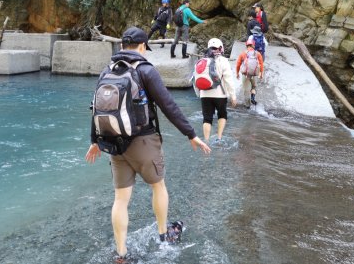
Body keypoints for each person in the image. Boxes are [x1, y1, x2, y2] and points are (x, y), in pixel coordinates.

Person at [85, 26, 211, 264]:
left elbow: (96, 109)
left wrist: (95, 141)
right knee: (158, 187)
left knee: (121, 199)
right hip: (144, 141)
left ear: (122, 46)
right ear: (142, 47)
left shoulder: (106, 71)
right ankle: (164, 237)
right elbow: (168, 105)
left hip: (114, 144)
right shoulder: (145, 70)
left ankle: (121, 253)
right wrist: (191, 134)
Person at [197, 38, 236, 142]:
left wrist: (199, 94)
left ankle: (206, 141)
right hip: (220, 95)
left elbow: (195, 78)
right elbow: (228, 79)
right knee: (222, 115)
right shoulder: (223, 60)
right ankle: (219, 138)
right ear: (221, 48)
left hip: (204, 94)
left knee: (207, 118)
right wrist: (233, 96)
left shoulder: (203, 60)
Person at [236, 37, 264, 107]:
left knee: (246, 90)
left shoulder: (242, 54)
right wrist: (261, 73)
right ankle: (253, 98)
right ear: (253, 45)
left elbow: (238, 65)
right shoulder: (257, 53)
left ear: (246, 45)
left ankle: (247, 106)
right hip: (254, 74)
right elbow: (261, 64)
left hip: (245, 74)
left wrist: (237, 73)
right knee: (254, 87)